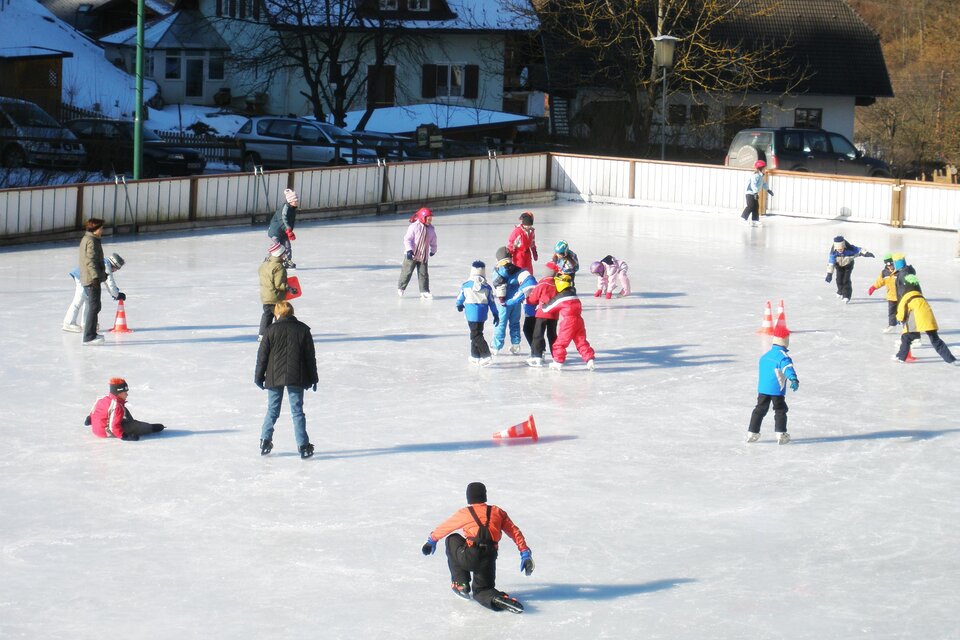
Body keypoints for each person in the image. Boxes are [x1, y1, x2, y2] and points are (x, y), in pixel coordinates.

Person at [421, 482, 533, 614]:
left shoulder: (465, 513)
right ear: (484, 496)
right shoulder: (497, 512)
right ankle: (497, 599)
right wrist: (525, 553)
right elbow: (515, 532)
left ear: (469, 497)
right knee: (482, 590)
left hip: (470, 556)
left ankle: (461, 584)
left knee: (452, 539)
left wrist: (431, 540)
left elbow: (446, 527)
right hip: (489, 558)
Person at [254, 300, 319, 458]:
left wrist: (258, 377)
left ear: (277, 313)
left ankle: (265, 440)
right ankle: (303, 446)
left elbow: (262, 356)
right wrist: (313, 378)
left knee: (272, 410)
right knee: (297, 412)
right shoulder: (303, 330)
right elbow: (310, 357)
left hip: (274, 375)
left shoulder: (270, 330)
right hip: (296, 375)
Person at [746, 324, 799, 444]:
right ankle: (781, 434)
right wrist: (794, 379)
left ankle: (752, 432)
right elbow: (787, 369)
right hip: (776, 390)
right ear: (785, 341)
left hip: (763, 389)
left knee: (759, 409)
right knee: (780, 409)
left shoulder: (765, 356)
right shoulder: (783, 357)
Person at [894, 275, 957, 365]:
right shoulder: (920, 296)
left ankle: (901, 357)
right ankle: (951, 359)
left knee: (906, 337)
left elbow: (901, 311)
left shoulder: (906, 296)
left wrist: (898, 319)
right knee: (935, 340)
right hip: (929, 318)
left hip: (916, 318)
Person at [541, 273, 595, 370]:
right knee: (581, 341)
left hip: (568, 322)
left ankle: (558, 361)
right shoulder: (574, 295)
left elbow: (546, 308)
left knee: (560, 343)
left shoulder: (561, 297)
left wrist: (542, 303)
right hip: (579, 320)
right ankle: (589, 359)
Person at [85, 377, 165, 441]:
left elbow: (94, 410)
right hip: (105, 431)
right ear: (118, 393)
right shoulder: (116, 406)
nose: (127, 394)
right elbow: (113, 426)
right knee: (134, 426)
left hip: (96, 428)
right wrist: (124, 436)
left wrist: (89, 419)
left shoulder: (102, 399)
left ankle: (130, 422)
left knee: (124, 410)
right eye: (125, 392)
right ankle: (151, 427)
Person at [491, 248, 537, 355]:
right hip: (516, 302)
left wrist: (502, 299)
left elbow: (499, 285)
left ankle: (496, 347)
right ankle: (516, 345)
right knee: (515, 323)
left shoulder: (498, 269)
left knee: (501, 323)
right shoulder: (517, 269)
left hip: (506, 302)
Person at [63, 253, 125, 333]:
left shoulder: (104, 262)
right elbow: (110, 283)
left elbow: (106, 281)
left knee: (88, 300)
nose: (115, 271)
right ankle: (68, 323)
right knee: (78, 300)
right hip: (83, 277)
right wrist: (117, 295)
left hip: (85, 278)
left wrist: (115, 294)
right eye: (116, 269)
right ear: (114, 265)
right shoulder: (106, 265)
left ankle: (86, 323)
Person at [456, 261, 500, 366]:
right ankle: (475, 356)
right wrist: (495, 314)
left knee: (476, 335)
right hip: (482, 314)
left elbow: (460, 297)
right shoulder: (487, 287)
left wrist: (459, 305)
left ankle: (486, 354)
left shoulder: (466, 285)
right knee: (477, 332)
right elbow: (492, 302)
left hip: (471, 314)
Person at [78, 218, 107, 345]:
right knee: (94, 306)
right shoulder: (91, 241)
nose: (102, 230)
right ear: (95, 229)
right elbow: (90, 261)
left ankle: (92, 333)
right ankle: (89, 337)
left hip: (91, 277)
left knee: (95, 306)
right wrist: (95, 277)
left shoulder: (90, 239)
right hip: (91, 279)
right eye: (101, 228)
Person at [258, 241, 296, 340]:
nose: (285, 255)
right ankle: (277, 334)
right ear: (279, 254)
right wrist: (289, 288)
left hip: (265, 295)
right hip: (276, 296)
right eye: (283, 253)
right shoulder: (279, 267)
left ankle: (262, 334)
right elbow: (279, 285)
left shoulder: (264, 264)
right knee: (279, 315)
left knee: (267, 315)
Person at [398, 207, 437, 299]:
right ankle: (401, 287)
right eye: (428, 219)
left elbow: (433, 241)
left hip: (423, 255)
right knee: (407, 272)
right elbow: (407, 239)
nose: (430, 221)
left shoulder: (431, 229)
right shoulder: (414, 227)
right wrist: (409, 250)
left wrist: (433, 250)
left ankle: (424, 291)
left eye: (431, 219)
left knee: (423, 274)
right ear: (423, 218)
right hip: (411, 255)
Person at [525, 269, 560, 367]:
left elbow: (533, 298)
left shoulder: (542, 283)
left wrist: (528, 300)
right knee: (552, 335)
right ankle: (556, 356)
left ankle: (537, 356)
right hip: (554, 313)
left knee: (538, 335)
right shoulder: (558, 284)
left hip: (542, 313)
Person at [825, 235, 874, 303]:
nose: (840, 251)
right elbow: (831, 263)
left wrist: (866, 253)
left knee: (846, 280)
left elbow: (859, 250)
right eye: (838, 250)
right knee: (839, 280)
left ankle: (846, 296)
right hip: (839, 266)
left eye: (841, 249)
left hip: (848, 266)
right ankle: (840, 290)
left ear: (844, 247)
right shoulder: (833, 253)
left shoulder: (850, 249)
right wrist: (829, 274)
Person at [267, 188, 298, 269]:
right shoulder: (285, 208)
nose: (296, 202)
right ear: (290, 201)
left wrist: (289, 231)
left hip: (284, 231)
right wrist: (288, 230)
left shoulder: (292, 208)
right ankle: (269, 260)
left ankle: (287, 260)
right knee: (276, 247)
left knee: (287, 246)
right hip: (275, 231)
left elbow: (290, 221)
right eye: (295, 200)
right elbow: (283, 220)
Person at [867, 253, 899, 332]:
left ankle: (908, 328)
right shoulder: (884, 272)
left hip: (901, 295)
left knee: (903, 312)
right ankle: (892, 325)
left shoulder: (900, 271)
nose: (890, 267)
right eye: (888, 265)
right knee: (891, 312)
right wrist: (873, 287)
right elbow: (880, 281)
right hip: (891, 296)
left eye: (891, 264)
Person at [740, 160, 774, 226]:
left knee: (756, 207)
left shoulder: (760, 176)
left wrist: (768, 190)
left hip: (754, 193)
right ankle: (743, 218)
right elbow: (753, 184)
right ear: (761, 168)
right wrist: (755, 193)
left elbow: (763, 184)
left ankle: (754, 220)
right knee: (750, 206)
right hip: (750, 193)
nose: (765, 169)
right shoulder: (755, 175)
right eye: (764, 168)